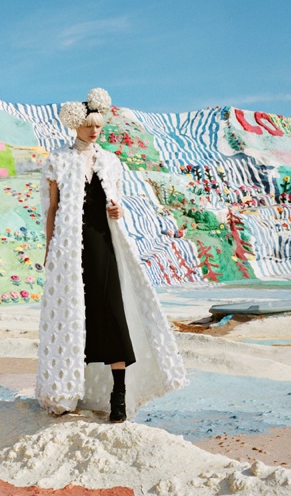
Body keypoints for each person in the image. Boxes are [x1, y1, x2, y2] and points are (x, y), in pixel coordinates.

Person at [36, 88, 187, 422]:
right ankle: (68, 390)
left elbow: (116, 203)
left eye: (99, 126)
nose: (93, 131)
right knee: (75, 317)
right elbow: (52, 210)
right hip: (69, 250)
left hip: (104, 244)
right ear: (75, 124)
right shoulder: (58, 160)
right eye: (88, 125)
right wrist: (49, 250)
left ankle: (118, 396)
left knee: (113, 314)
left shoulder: (110, 161)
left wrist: (118, 211)